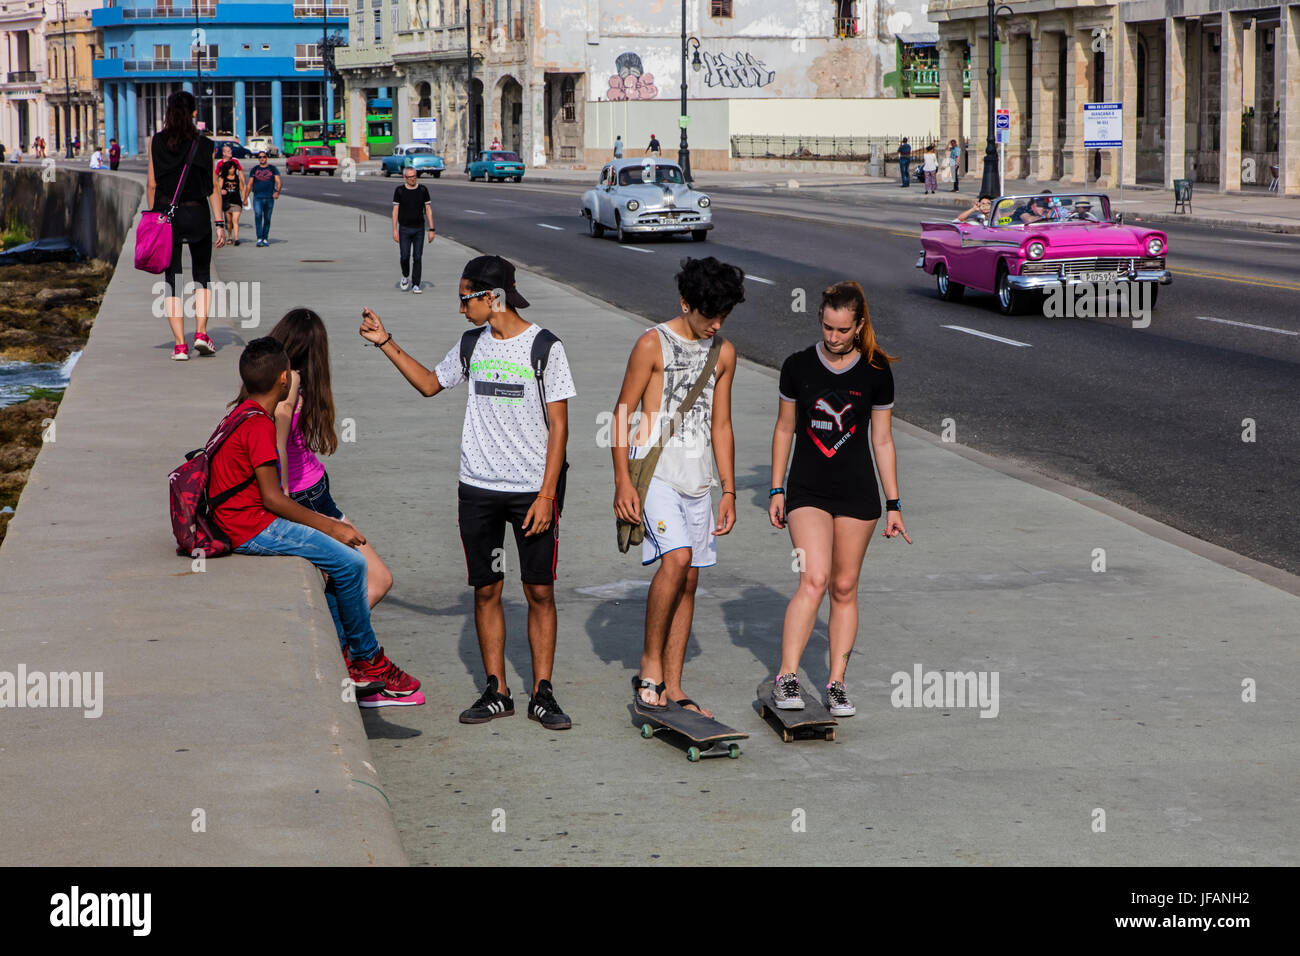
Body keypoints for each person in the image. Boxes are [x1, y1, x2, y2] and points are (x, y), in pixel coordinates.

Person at [358, 255, 576, 729]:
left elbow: (559, 428)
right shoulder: (471, 344)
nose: (461, 309)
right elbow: (431, 385)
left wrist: (545, 495)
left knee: (539, 590)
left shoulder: (545, 348)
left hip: (530, 495)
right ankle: (496, 689)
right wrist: (386, 343)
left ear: (490, 298)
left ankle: (543, 692)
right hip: (478, 490)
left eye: (465, 299)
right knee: (486, 590)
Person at [214, 337, 421, 698]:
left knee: (335, 573)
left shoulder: (240, 413)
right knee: (352, 564)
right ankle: (368, 658)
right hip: (250, 526)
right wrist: (332, 526)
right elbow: (274, 499)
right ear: (283, 380)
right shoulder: (260, 426)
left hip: (237, 518)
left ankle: (344, 654)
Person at [768, 281, 909, 717]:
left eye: (842, 330)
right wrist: (776, 488)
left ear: (858, 325)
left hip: (857, 492)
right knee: (814, 578)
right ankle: (787, 676)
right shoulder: (797, 366)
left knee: (844, 587)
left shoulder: (876, 371)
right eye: (827, 327)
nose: (833, 337)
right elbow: (784, 429)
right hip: (807, 490)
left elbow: (882, 442)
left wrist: (894, 504)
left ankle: (836, 683)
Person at [612, 257, 743, 717]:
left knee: (689, 579)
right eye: (709, 315)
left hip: (698, 479)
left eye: (723, 316)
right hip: (656, 474)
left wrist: (727, 489)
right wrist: (621, 481)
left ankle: (673, 685)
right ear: (686, 304)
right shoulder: (652, 344)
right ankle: (650, 667)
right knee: (677, 558)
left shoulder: (723, 353)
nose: (716, 324)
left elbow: (721, 424)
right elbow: (622, 413)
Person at [147, 89, 223, 360]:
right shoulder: (204, 144)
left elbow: (153, 184)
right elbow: (213, 185)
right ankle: (201, 333)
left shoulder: (156, 142)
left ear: (168, 112)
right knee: (202, 275)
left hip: (169, 218)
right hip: (198, 214)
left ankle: (180, 345)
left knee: (172, 280)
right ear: (193, 113)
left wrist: (156, 218)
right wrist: (220, 221)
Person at [391, 166, 435, 293]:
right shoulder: (399, 191)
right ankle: (405, 276)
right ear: (404, 177)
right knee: (405, 256)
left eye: (414, 176)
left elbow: (428, 210)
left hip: (419, 229)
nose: (412, 179)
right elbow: (395, 211)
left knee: (417, 257)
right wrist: (394, 230)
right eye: (410, 177)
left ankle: (416, 284)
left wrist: (431, 229)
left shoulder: (422, 190)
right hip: (404, 229)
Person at [243, 150, 281, 246]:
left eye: (264, 156)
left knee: (267, 218)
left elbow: (278, 182)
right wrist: (245, 198)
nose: (262, 158)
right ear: (258, 159)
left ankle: (265, 238)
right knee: (258, 216)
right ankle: (259, 238)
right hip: (258, 198)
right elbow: (250, 184)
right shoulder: (255, 169)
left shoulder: (272, 168)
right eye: (260, 157)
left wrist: (277, 192)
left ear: (266, 157)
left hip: (269, 198)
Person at [216, 144, 246, 246]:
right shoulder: (220, 164)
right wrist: (218, 191)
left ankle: (236, 238)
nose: (230, 153)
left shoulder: (235, 162)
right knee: (228, 221)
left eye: (231, 151)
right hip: (226, 200)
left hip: (236, 199)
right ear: (223, 153)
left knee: (235, 220)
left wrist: (244, 194)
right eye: (228, 151)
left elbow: (241, 175)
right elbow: (216, 177)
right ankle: (229, 236)